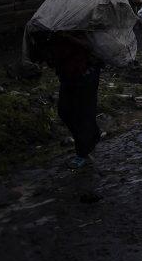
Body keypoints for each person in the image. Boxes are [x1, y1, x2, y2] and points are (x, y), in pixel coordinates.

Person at [29, 31, 102, 169]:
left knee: (83, 114)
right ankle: (91, 135)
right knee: (65, 111)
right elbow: (47, 59)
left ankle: (82, 153)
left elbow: (89, 46)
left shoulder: (76, 25)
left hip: (86, 75)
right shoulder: (52, 33)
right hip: (67, 76)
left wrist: (69, 37)